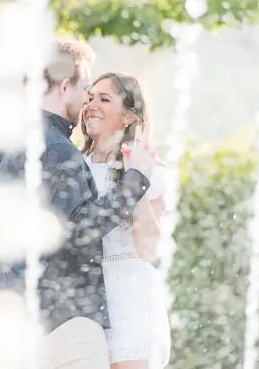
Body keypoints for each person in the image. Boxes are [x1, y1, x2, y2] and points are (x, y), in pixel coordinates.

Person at [0, 39, 157, 369]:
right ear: (65, 86)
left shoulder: (9, 144)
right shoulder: (59, 149)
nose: (86, 100)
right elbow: (79, 230)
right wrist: (135, 179)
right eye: (84, 88)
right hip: (63, 321)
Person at [81, 72, 171, 369]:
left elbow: (149, 250)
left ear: (129, 117)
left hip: (130, 299)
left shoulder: (150, 169)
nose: (91, 105)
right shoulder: (71, 167)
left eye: (104, 99)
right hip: (80, 301)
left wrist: (138, 180)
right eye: (89, 98)